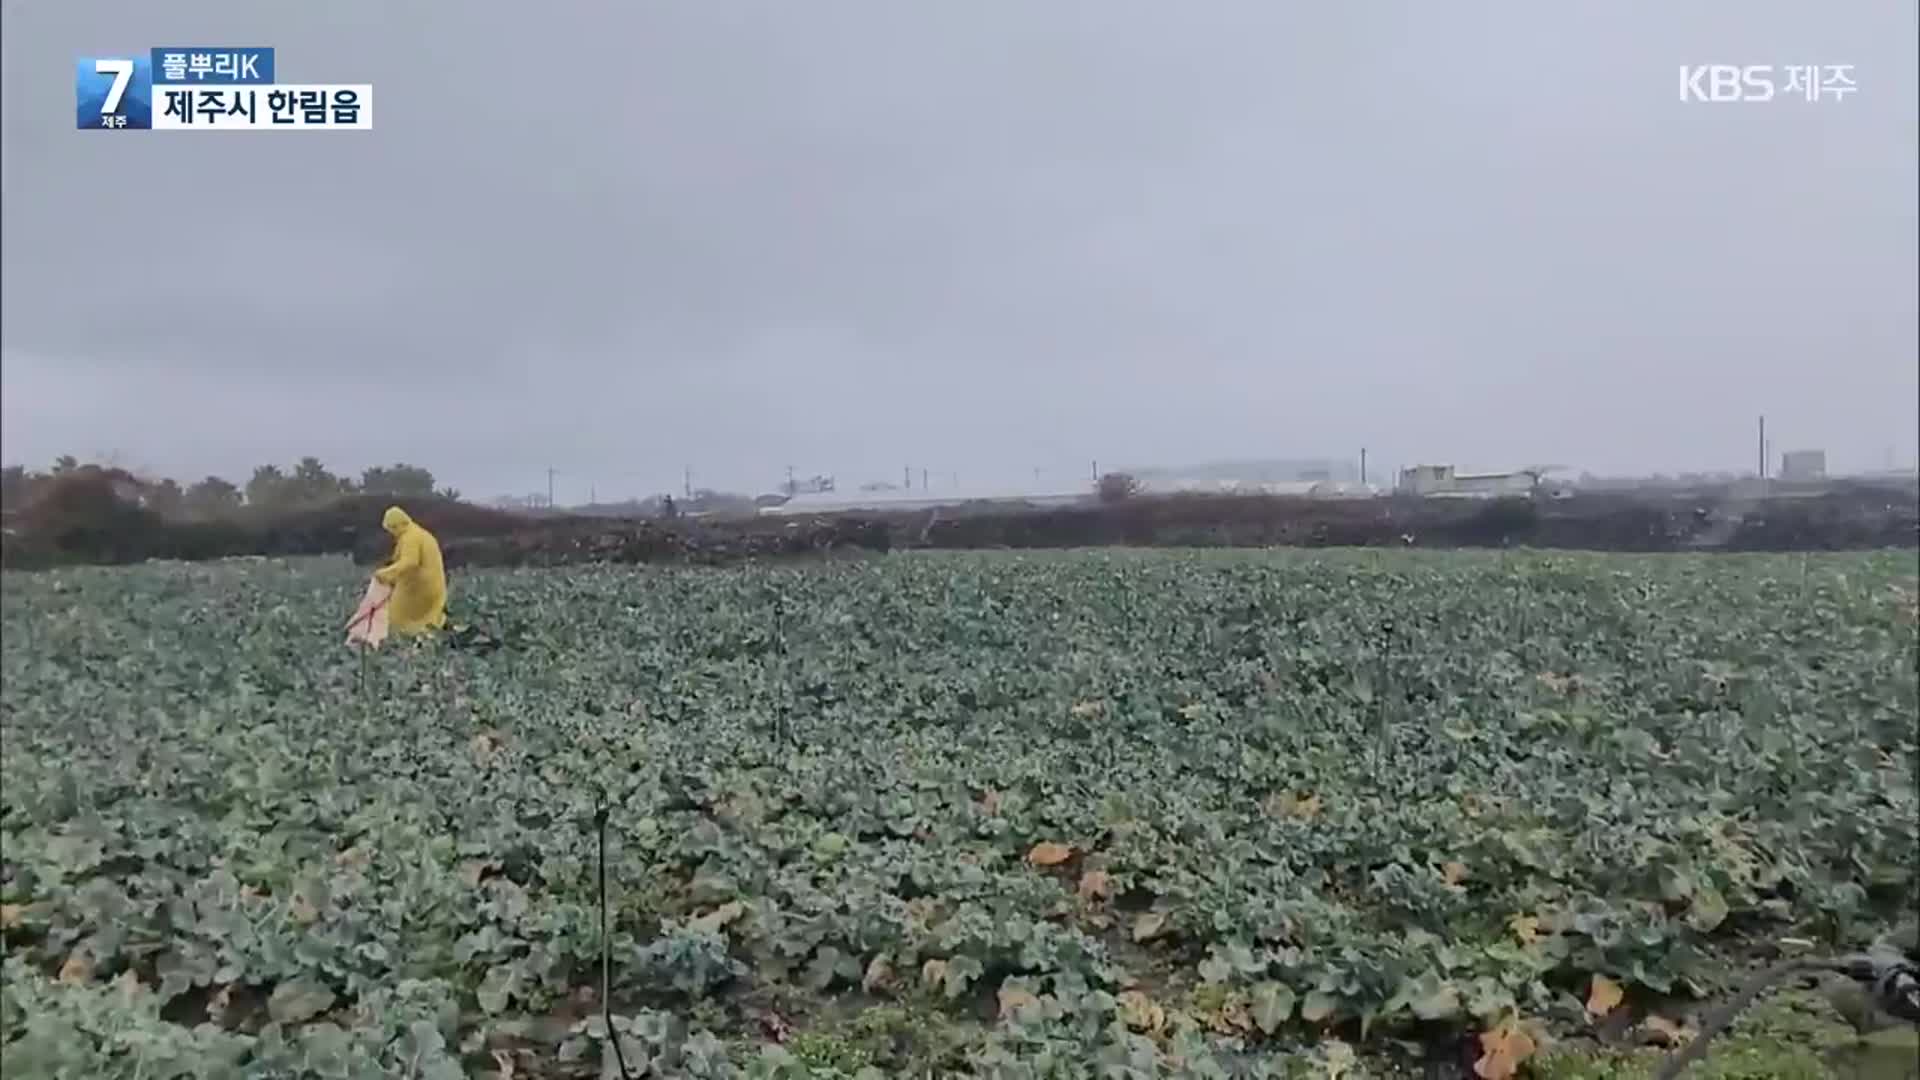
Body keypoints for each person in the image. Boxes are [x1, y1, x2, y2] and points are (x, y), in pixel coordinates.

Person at [374, 506, 447, 636]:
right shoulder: (419, 533)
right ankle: (430, 641)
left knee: (397, 617)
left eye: (390, 528)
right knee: (427, 620)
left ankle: (404, 644)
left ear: (395, 526)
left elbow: (409, 562)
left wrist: (385, 573)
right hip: (434, 586)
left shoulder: (410, 537)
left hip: (419, 588)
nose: (391, 533)